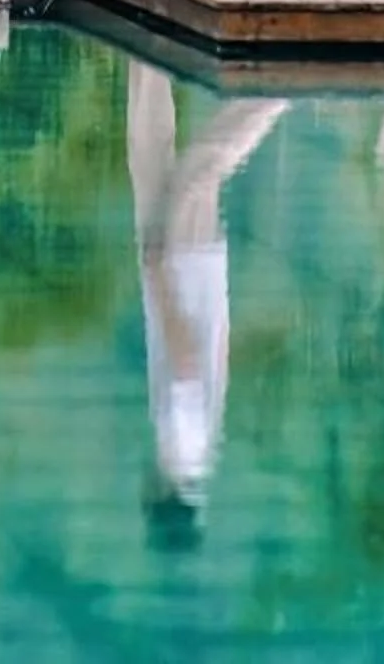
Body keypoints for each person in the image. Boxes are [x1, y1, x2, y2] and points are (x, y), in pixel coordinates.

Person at [128, 60, 288, 539]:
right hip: (185, 264)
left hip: (180, 268)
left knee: (148, 149)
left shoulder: (188, 454)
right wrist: (159, 276)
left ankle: (145, 53)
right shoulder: (184, 447)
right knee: (203, 168)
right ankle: (277, 94)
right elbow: (186, 365)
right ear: (159, 498)